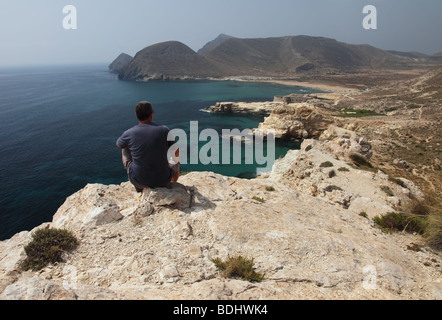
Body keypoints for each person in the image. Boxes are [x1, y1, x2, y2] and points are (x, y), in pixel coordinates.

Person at [116, 101, 179, 191]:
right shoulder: (164, 130)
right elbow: (176, 150)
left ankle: (139, 188)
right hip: (163, 180)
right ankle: (171, 185)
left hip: (138, 181)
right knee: (175, 158)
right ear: (151, 115)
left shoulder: (129, 133)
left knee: (124, 147)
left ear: (137, 116)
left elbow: (118, 144)